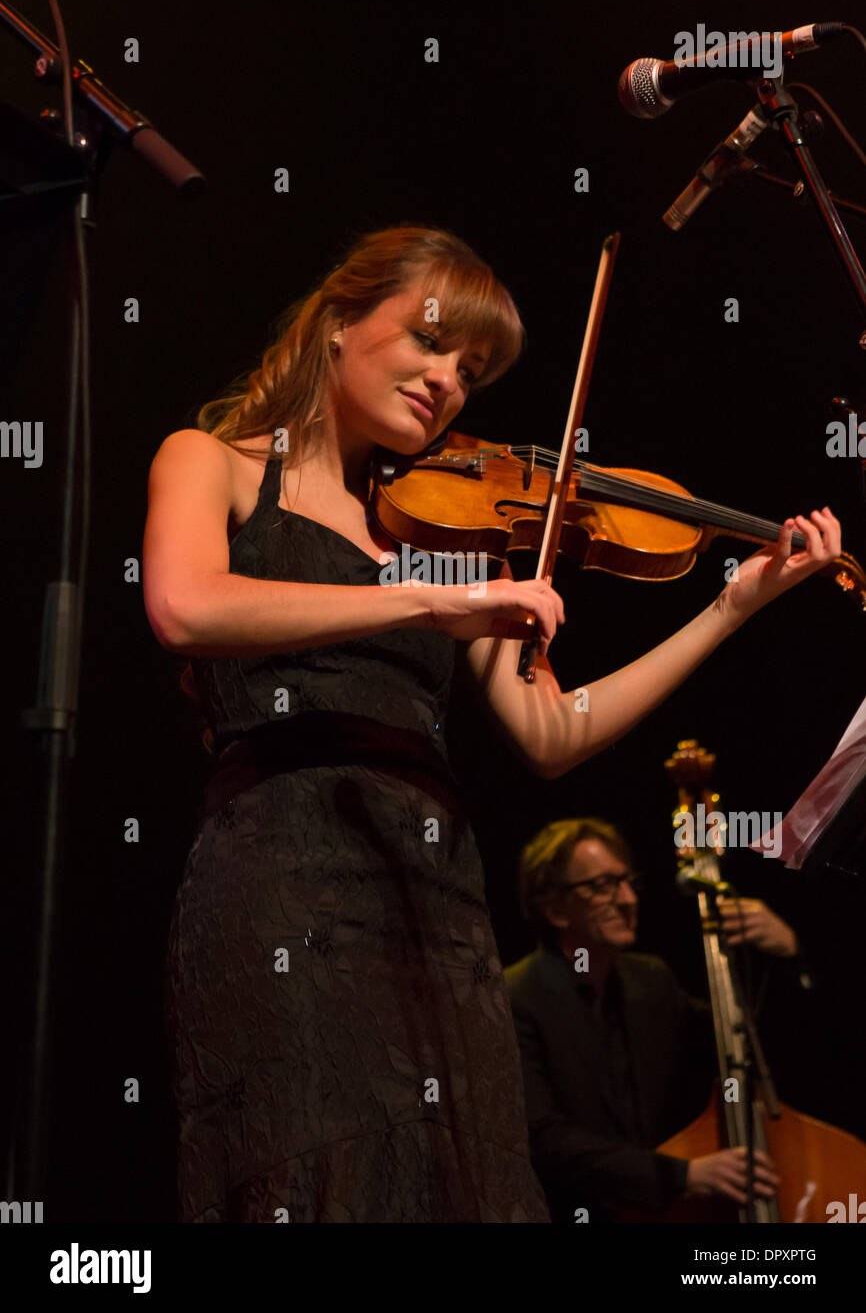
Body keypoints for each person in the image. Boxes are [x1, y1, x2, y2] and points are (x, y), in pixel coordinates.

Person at [141, 224, 841, 1223]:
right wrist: (423, 600)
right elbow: (187, 608)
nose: (445, 384)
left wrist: (730, 606)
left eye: (468, 372)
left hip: (434, 902)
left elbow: (553, 733)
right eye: (429, 343)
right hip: (281, 877)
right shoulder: (212, 463)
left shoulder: (439, 526)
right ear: (339, 322)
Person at [504, 817, 807, 1222]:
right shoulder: (516, 997)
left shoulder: (651, 981)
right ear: (556, 909)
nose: (628, 899)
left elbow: (744, 1045)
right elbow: (542, 1137)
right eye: (602, 886)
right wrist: (681, 1175)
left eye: (628, 882)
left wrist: (786, 955)